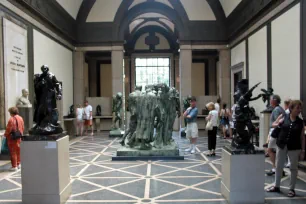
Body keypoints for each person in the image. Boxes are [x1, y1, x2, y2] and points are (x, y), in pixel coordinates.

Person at [267, 100, 305, 197]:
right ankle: (276, 186)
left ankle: (291, 189)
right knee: (279, 166)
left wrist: (303, 150)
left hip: (295, 147)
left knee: (293, 168)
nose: (299, 110)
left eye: (300, 108)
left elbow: (302, 137)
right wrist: (278, 123)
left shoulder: (301, 122)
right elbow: (272, 125)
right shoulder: (283, 117)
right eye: (297, 108)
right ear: (291, 108)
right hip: (281, 145)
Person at [266, 95, 286, 176]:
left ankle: (276, 168)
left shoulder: (277, 109)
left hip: (276, 133)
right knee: (276, 152)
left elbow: (278, 123)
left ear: (274, 100)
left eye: (271, 99)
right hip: (277, 133)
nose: (270, 101)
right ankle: (279, 169)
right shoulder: (279, 108)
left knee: (270, 150)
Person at [4, 107, 24, 171]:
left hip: (12, 138)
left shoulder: (11, 119)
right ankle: (18, 164)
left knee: (13, 152)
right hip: (19, 137)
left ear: (11, 112)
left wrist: (5, 135)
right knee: (18, 151)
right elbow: (23, 127)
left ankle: (14, 166)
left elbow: (9, 129)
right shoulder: (20, 118)